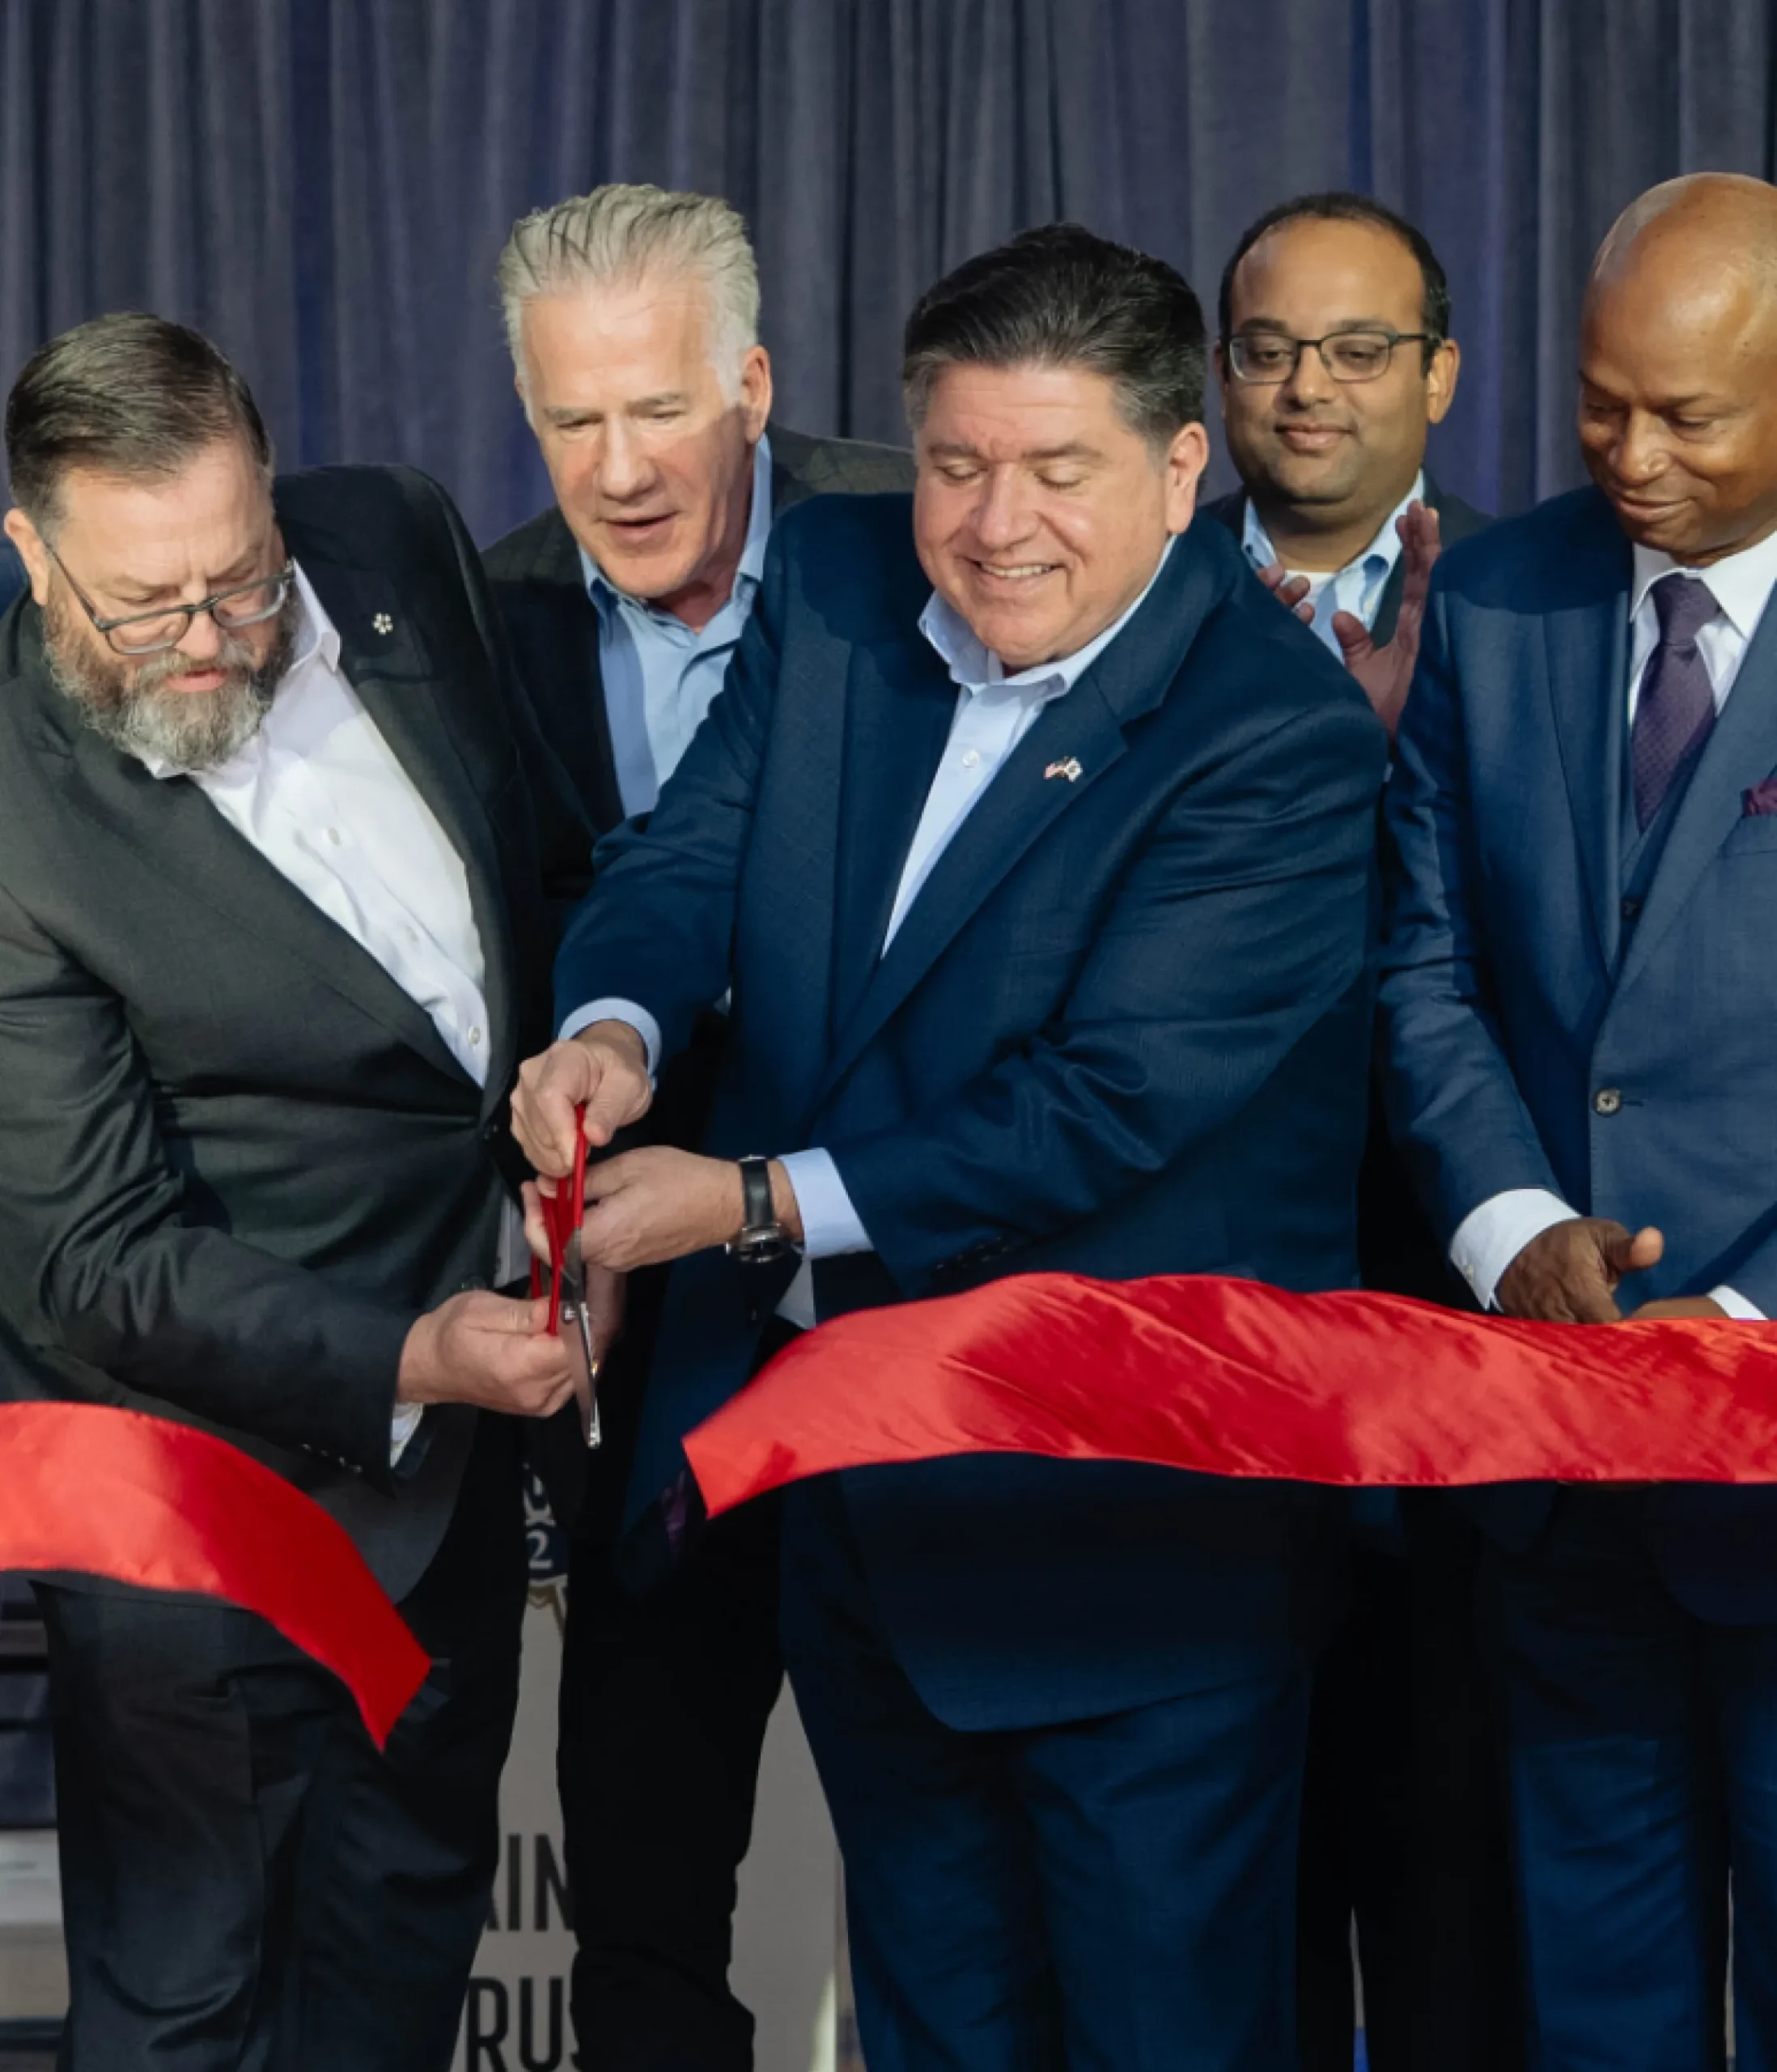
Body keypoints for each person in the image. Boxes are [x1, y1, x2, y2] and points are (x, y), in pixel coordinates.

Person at [511, 223, 1386, 2070]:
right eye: (960, 462)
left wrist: (745, 1201)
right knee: (931, 2029)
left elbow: (1110, 1102)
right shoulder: (829, 583)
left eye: (1059, 470)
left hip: (1131, 1550)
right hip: (869, 1525)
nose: (998, 522)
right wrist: (613, 1033)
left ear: (1175, 468)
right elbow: (690, 862)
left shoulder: (1276, 736)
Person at [0, 312, 593, 2072]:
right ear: (31, 556)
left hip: (456, 1484)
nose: (211, 638)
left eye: (241, 581)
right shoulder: (16, 826)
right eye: (148, 604)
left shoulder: (392, 533)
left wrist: (584, 1126)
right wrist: (419, 1353)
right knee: (194, 2008)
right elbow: (94, 1258)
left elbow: (535, 869)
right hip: (203, 1511)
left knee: (403, 1952)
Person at [481, 182, 912, 2072]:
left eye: (658, 408)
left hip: (908, 1301)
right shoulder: (468, 626)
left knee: (953, 1887)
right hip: (635, 1359)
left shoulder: (923, 542)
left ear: (751, 381)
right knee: (645, 1892)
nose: (620, 465)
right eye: (572, 419)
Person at [1380, 172, 1777, 2070]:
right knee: (1593, 2002)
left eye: (1688, 414)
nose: (1628, 452)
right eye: (1602, 401)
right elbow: (1421, 959)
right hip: (1559, 1441)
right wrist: (1507, 1216)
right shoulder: (1503, 589)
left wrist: (1759, 1319)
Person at [1207, 192, 1516, 2072]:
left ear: (1441, 377)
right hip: (1212, 1334)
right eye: (1267, 348)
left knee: (1462, 1881)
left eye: (1358, 349)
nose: (1308, 388)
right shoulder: (1133, 602)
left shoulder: (1540, 599)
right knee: (1238, 1903)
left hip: (1473, 1331)